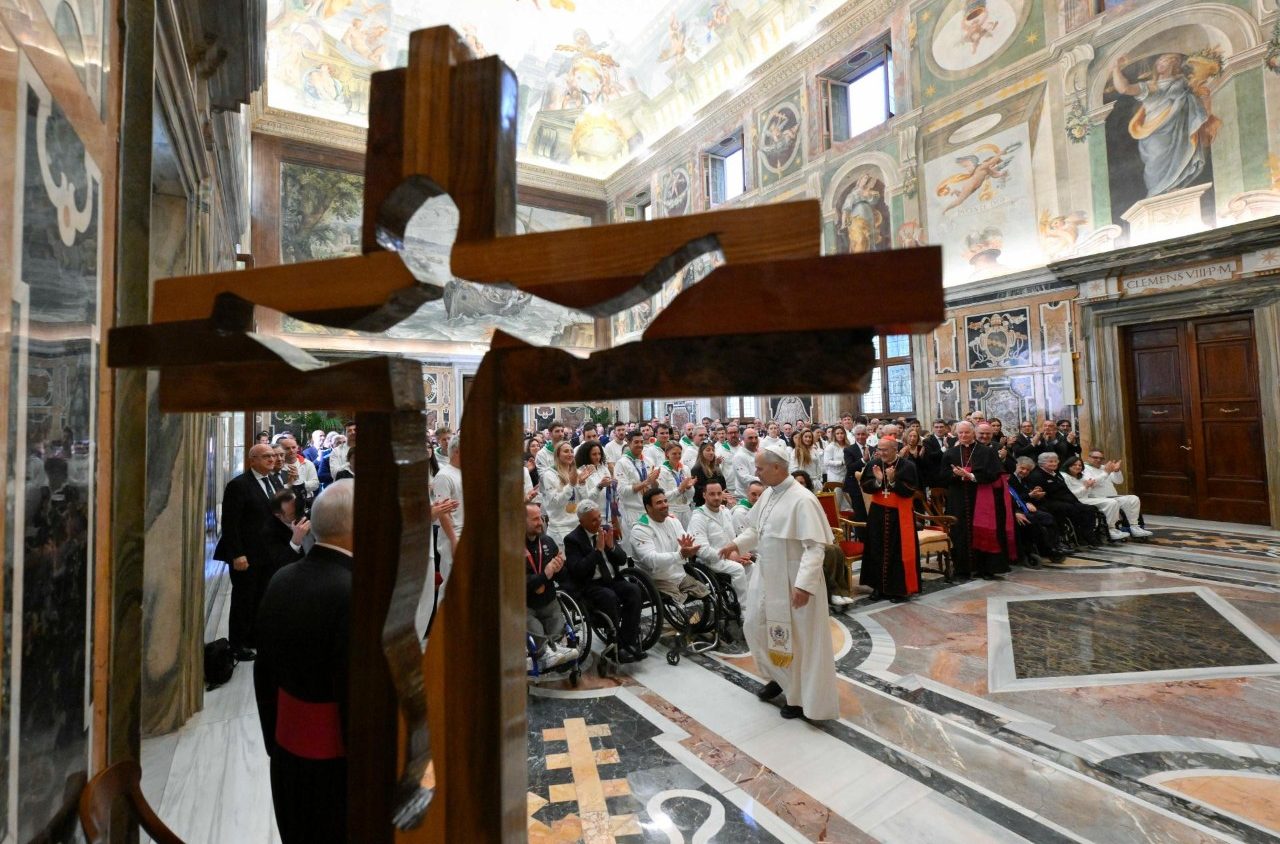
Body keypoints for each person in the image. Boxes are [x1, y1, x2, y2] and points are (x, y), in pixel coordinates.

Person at [254, 480, 355, 843]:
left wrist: (274, 740)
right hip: (334, 766)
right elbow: (352, 691)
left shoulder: (283, 577)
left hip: (285, 752)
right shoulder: (351, 590)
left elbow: (262, 670)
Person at [719, 445, 838, 721]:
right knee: (755, 626)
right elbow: (755, 529)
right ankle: (779, 676)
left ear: (776, 467)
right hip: (768, 575)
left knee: (798, 640)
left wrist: (805, 585)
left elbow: (814, 547)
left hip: (794, 581)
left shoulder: (802, 499)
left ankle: (797, 698)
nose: (755, 472)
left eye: (760, 468)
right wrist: (735, 544)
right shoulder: (770, 494)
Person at [214, 443, 283, 661]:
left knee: (261, 596)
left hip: (267, 553)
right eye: (266, 457)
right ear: (252, 460)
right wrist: (237, 554)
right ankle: (237, 643)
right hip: (246, 554)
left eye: (272, 456)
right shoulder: (239, 485)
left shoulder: (272, 481)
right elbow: (230, 523)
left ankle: (253, 637)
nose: (271, 459)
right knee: (244, 599)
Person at [561, 500, 646, 662]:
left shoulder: (605, 530)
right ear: (582, 522)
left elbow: (622, 560)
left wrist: (612, 547)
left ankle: (627, 641)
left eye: (599, 517)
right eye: (593, 520)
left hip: (613, 579)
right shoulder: (572, 540)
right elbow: (578, 570)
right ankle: (615, 643)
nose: (599, 521)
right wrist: (597, 551)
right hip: (591, 585)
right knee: (609, 597)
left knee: (634, 590)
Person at [939, 421, 1014, 579]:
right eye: (961, 433)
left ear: (973, 433)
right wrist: (955, 475)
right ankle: (962, 569)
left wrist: (971, 476)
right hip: (958, 499)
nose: (964, 436)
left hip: (980, 498)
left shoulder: (986, 452)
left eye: (967, 432)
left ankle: (985, 569)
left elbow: (994, 473)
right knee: (960, 533)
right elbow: (942, 476)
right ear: (957, 434)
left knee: (982, 532)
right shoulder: (950, 453)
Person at [859, 437, 921, 602]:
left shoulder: (908, 466)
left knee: (897, 551)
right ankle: (878, 588)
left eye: (885, 450)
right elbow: (865, 485)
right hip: (877, 514)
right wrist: (878, 481)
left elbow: (911, 490)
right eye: (879, 449)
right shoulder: (874, 464)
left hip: (899, 515)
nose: (881, 453)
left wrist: (893, 480)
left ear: (895, 449)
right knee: (876, 549)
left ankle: (898, 589)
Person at [630, 488, 711, 607]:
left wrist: (686, 550)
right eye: (659, 503)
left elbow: (684, 543)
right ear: (648, 508)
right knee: (681, 603)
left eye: (665, 501)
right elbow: (651, 560)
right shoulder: (640, 529)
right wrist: (680, 555)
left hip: (679, 575)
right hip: (656, 579)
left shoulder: (673, 521)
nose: (664, 505)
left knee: (707, 593)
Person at [524, 504, 580, 671]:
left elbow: (562, 577)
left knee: (557, 626)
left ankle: (555, 649)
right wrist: (546, 574)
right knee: (536, 630)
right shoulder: (510, 547)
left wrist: (560, 567)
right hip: (524, 605)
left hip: (548, 600)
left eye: (541, 518)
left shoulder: (547, 542)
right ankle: (544, 654)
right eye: (535, 519)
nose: (540, 522)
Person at [687, 479, 750, 606]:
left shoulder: (725, 511)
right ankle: (743, 609)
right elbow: (702, 550)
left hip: (728, 556)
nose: (716, 497)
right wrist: (729, 555)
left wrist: (738, 552)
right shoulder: (698, 517)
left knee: (751, 565)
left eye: (719, 493)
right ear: (704, 495)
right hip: (710, 561)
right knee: (738, 569)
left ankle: (747, 601)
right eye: (712, 494)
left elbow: (733, 538)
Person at [1027, 452, 1102, 548]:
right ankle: (1075, 536)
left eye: (1055, 461)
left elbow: (1066, 490)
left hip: (1065, 500)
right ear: (1042, 463)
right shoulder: (1036, 475)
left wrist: (1076, 501)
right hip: (1048, 502)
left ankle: (1088, 535)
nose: (1054, 464)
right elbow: (1042, 495)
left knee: (1090, 509)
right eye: (1050, 462)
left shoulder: (1056, 473)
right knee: (1071, 509)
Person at [1008, 457, 1066, 565]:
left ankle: (1055, 545)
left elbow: (1022, 495)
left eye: (1028, 470)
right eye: (1022, 468)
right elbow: (1010, 497)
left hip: (1023, 507)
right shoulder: (1010, 479)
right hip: (1014, 510)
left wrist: (1034, 493)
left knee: (1047, 517)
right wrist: (1021, 506)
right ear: (1016, 466)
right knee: (1032, 520)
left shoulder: (1024, 479)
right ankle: (1045, 550)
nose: (1024, 471)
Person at [1083, 450, 1152, 537]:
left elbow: (1119, 481)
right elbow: (1092, 483)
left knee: (1133, 498)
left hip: (1112, 496)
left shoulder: (1105, 468)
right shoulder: (1084, 469)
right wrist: (1106, 473)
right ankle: (1111, 529)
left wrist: (1116, 471)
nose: (1098, 460)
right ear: (1089, 458)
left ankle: (1134, 527)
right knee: (1112, 502)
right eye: (1095, 458)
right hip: (1096, 498)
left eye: (1101, 458)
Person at [1062, 456, 1128, 542]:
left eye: (1080, 465)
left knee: (1114, 501)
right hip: (1076, 501)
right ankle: (1109, 529)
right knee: (1111, 502)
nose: (1078, 467)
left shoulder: (1080, 476)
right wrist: (1086, 487)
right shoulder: (1064, 476)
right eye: (1074, 465)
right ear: (1068, 465)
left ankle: (1113, 528)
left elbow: (1092, 484)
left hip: (1086, 498)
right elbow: (1072, 494)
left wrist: (1089, 486)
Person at [432, 435, 464, 600]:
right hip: (454, 536)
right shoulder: (444, 475)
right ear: (458, 451)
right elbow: (443, 511)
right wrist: (453, 540)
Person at [615, 431, 660, 543]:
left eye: (641, 442)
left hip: (648, 511)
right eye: (636, 442)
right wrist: (645, 482)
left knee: (650, 546)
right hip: (631, 511)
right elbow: (622, 491)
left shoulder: (648, 461)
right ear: (629, 443)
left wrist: (654, 482)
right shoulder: (622, 463)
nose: (640, 445)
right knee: (632, 548)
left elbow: (654, 487)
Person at [540, 441, 584, 549]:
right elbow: (556, 502)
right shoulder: (549, 474)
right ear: (557, 455)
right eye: (566, 451)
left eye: (571, 451)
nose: (570, 454)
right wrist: (571, 485)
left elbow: (584, 499)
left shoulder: (576, 472)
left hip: (577, 525)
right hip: (560, 528)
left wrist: (582, 484)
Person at [263, 489, 311, 582]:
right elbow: (281, 564)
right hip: (292, 579)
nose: (299, 515)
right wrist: (295, 541)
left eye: (298, 509)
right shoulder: (269, 531)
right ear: (278, 515)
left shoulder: (305, 511)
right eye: (293, 514)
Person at [658, 440, 696, 527]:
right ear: (667, 454)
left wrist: (689, 488)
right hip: (671, 511)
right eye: (674, 453)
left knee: (688, 537)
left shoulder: (685, 469)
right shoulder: (661, 471)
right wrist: (679, 489)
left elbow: (690, 496)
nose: (677, 456)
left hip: (686, 510)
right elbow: (662, 497)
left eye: (679, 453)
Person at [728, 426, 761, 501]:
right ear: (743, 439)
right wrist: (764, 480)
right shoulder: (739, 456)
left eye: (756, 437)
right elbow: (744, 479)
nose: (754, 440)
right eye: (750, 438)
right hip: (745, 497)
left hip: (759, 495)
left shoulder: (759, 453)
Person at [690, 441, 726, 508]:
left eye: (713, 450)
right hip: (703, 506)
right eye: (708, 450)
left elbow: (723, 485)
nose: (711, 452)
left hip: (717, 504)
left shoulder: (716, 468)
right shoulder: (696, 469)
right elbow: (698, 492)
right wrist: (718, 495)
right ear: (701, 453)